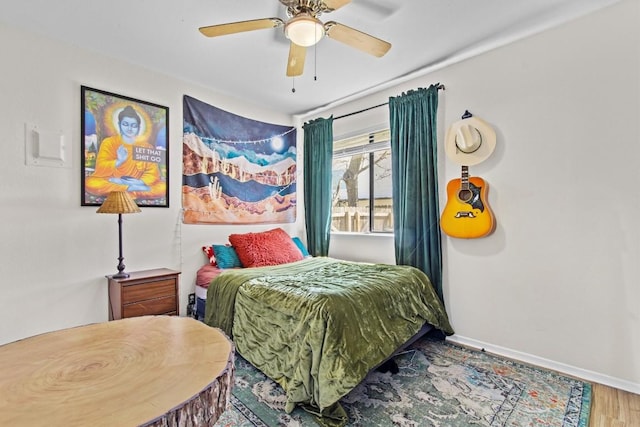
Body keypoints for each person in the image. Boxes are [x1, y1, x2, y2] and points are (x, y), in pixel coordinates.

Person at [85, 105, 166, 200]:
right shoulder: (109, 143)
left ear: (139, 128)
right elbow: (100, 168)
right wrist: (118, 161)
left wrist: (138, 182)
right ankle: (133, 190)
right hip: (114, 181)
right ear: (119, 125)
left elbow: (153, 174)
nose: (129, 129)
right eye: (125, 124)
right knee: (90, 183)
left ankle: (129, 189)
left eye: (133, 125)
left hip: (137, 183)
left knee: (163, 187)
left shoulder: (147, 147)